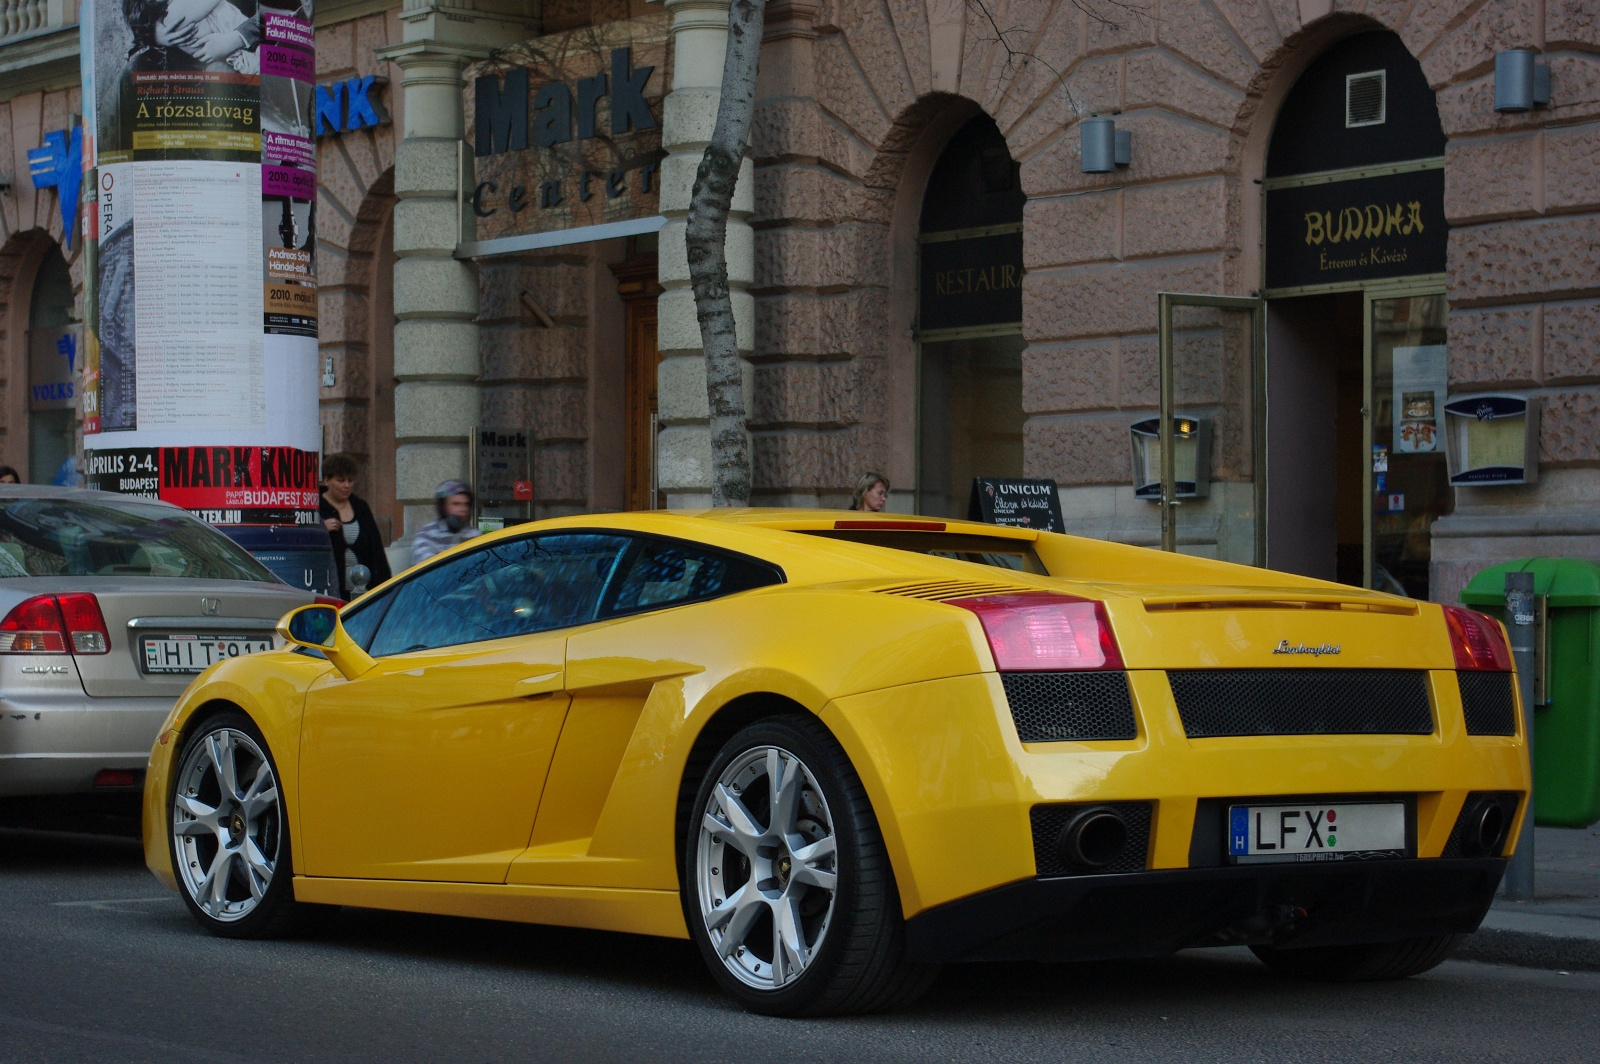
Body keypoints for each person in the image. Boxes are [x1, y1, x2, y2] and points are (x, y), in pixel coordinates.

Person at [319, 454, 392, 599]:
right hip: (329, 590)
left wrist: (385, 586)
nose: (346, 485)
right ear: (327, 480)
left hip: (364, 591)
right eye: (340, 481)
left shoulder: (360, 507)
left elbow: (376, 549)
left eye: (350, 480)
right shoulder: (317, 507)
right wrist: (321, 529)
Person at [411, 480, 481, 565]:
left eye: (466, 504)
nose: (463, 509)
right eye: (456, 504)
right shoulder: (426, 534)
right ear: (441, 507)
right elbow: (426, 566)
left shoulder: (474, 534)